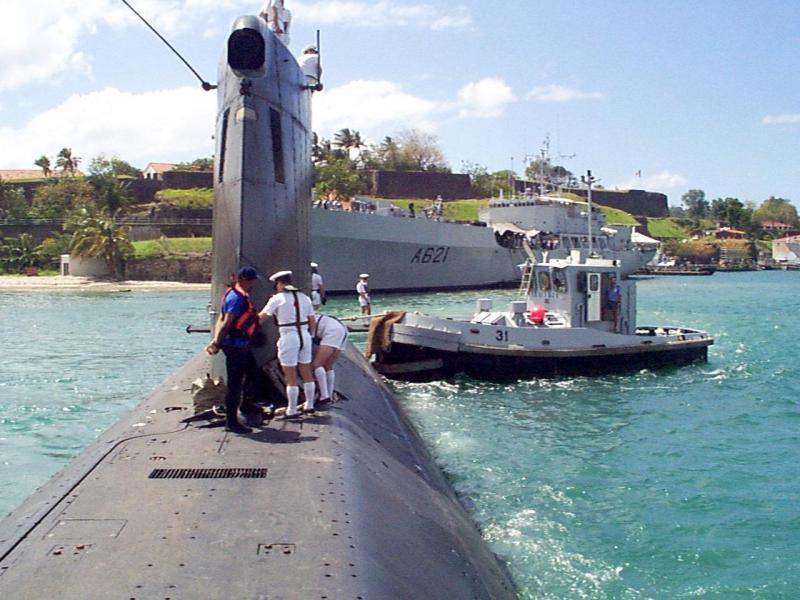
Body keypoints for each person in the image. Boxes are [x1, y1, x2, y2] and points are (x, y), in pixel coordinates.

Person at [206, 267, 264, 434]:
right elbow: (226, 323)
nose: (253, 284)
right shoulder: (236, 299)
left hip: (242, 345)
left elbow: (222, 317)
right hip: (235, 346)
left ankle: (246, 404)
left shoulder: (236, 294)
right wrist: (217, 343)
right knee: (234, 384)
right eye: (251, 281)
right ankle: (231, 422)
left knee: (253, 373)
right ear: (244, 280)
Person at [259, 270, 316, 417]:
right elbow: (312, 321)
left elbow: (262, 317)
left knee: (290, 375)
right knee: (306, 371)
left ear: (279, 283)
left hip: (288, 336)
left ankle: (292, 409)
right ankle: (310, 405)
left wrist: (246, 326)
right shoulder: (305, 297)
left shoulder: (277, 299)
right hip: (305, 336)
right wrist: (311, 336)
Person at [312, 314, 348, 405]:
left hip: (332, 331)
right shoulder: (312, 315)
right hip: (342, 329)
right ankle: (330, 394)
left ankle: (324, 396)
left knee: (317, 364)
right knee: (327, 365)